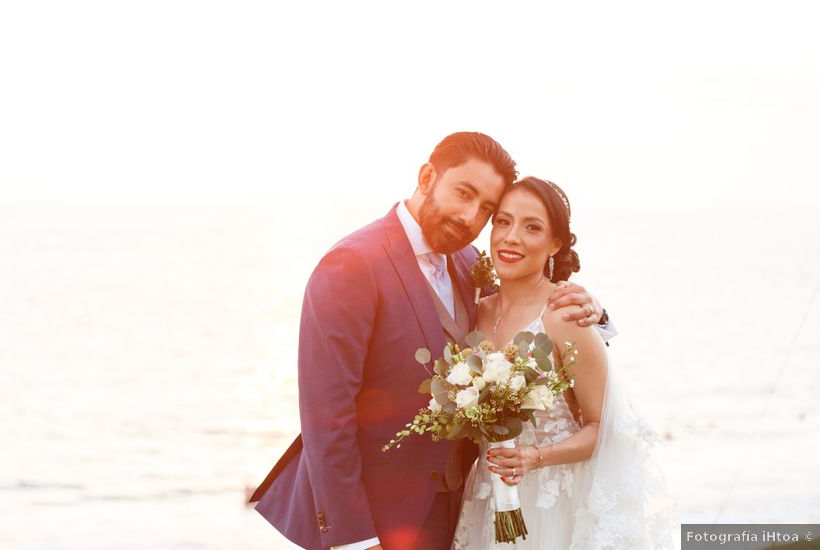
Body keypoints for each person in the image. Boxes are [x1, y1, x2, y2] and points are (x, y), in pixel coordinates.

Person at [249, 132, 612, 550]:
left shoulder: (468, 262)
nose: (470, 216)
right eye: (463, 193)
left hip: (462, 510)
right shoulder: (352, 263)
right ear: (426, 177)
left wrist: (596, 313)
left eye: (486, 209)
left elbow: (527, 319)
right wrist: (355, 539)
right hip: (380, 519)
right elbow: (325, 416)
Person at [453, 177, 675, 549]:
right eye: (503, 222)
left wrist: (535, 457)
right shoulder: (475, 310)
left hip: (553, 503)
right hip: (487, 498)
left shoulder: (564, 315)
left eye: (532, 227)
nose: (511, 237)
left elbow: (604, 427)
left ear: (555, 243)